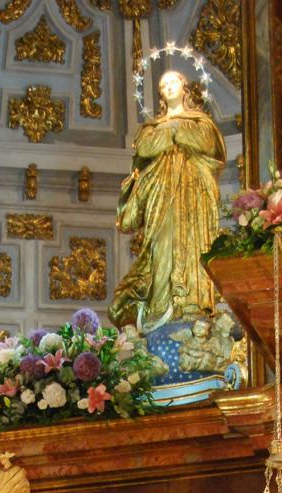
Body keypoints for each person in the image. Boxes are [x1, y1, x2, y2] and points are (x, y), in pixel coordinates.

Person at [109, 69, 226, 331]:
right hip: (160, 196)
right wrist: (175, 133)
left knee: (193, 245)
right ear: (159, 94)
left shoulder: (201, 121)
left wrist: (173, 133)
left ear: (185, 87)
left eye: (173, 82)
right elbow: (145, 149)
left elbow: (208, 144)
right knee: (161, 245)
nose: (168, 87)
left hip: (194, 197)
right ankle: (160, 308)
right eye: (163, 85)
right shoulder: (151, 127)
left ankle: (192, 304)